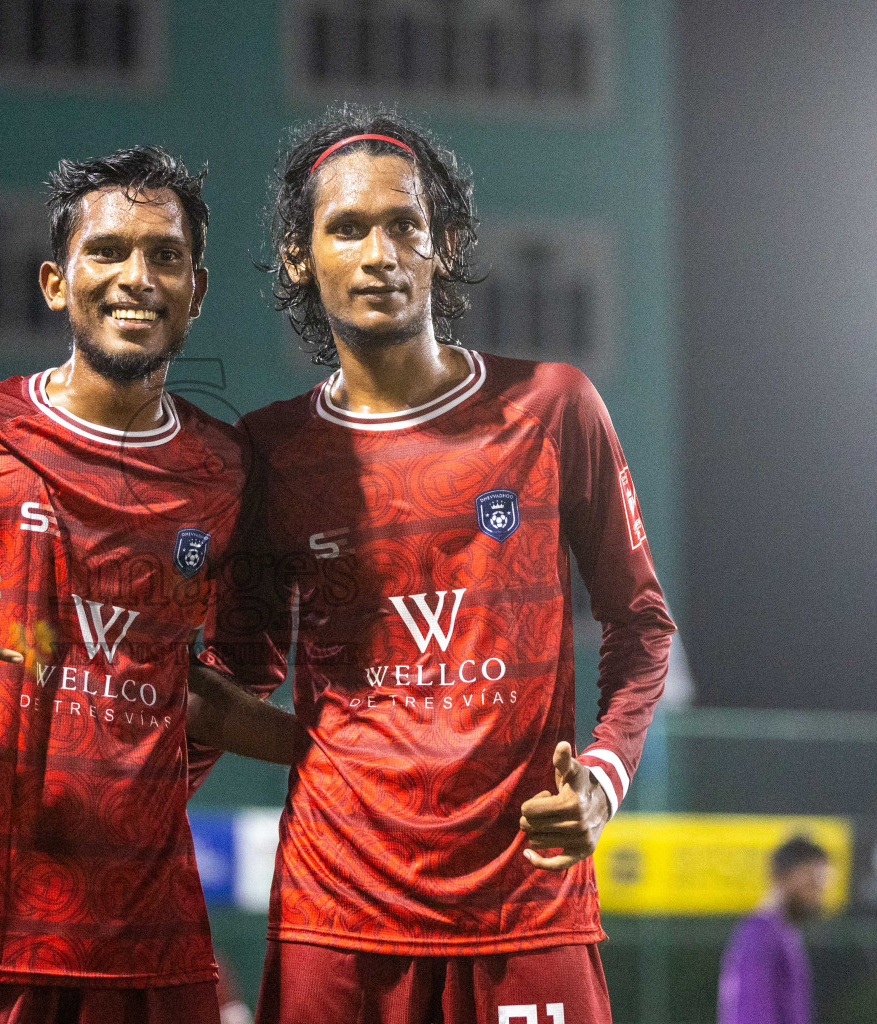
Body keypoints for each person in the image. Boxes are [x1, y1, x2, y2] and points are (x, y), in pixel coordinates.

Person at [190, 106, 678, 1023]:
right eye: (346, 227)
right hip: (337, 917)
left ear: (442, 244)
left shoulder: (553, 407)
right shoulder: (272, 452)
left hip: (526, 907)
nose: (379, 251)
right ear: (301, 258)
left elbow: (642, 627)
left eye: (403, 225)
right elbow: (235, 676)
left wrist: (604, 780)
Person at [0, 146, 300, 1024]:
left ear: (198, 291)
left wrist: (344, 757)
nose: (135, 278)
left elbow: (199, 692)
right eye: (106, 251)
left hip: (151, 942)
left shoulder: (229, 474)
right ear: (54, 281)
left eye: (164, 256)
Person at [718, 837, 831, 1024]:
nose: (818, 892)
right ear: (783, 876)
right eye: (812, 880)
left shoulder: (780, 932)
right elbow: (752, 1015)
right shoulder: (761, 935)